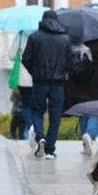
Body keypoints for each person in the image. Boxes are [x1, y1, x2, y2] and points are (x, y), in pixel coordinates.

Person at [22, 9, 73, 160]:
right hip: (58, 83)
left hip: (39, 82)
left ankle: (40, 137)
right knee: (55, 115)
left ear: (43, 21)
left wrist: (35, 72)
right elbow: (69, 64)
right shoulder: (65, 39)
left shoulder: (34, 37)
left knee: (37, 111)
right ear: (57, 21)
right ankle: (50, 150)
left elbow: (26, 59)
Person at [65, 36, 98, 155]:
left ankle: (85, 141)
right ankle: (89, 133)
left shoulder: (74, 41)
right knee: (96, 110)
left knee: (84, 111)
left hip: (78, 82)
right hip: (97, 82)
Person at [10, 33, 35, 141]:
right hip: (39, 77)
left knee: (26, 106)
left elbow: (11, 55)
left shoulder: (21, 35)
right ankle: (36, 130)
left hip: (24, 78)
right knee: (37, 107)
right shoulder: (41, 33)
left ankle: (31, 128)